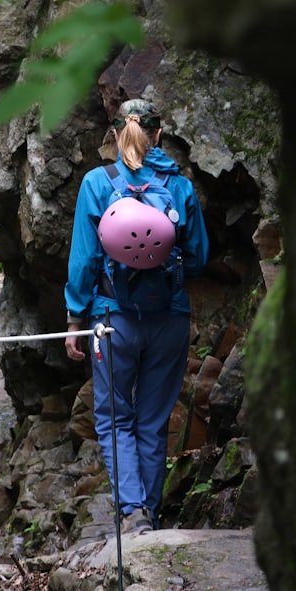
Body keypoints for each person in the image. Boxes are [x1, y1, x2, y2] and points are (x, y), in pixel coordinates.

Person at [65, 99, 209, 532]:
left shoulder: (97, 182)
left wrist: (76, 320)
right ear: (158, 135)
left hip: (112, 319)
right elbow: (199, 258)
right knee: (152, 420)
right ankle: (150, 511)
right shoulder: (179, 187)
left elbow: (84, 261)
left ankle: (132, 513)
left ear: (114, 133)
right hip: (170, 318)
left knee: (114, 418)